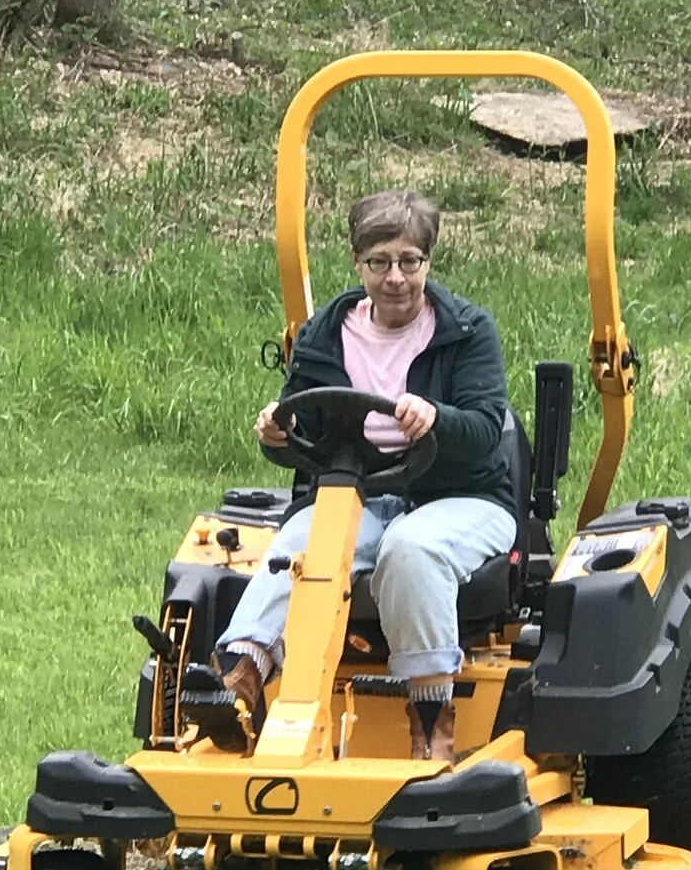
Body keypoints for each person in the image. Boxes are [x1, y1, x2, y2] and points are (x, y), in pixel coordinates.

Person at [209, 189, 516, 760]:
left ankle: (429, 721)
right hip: (360, 491)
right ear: (357, 262)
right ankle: (240, 681)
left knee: (411, 548)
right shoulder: (327, 330)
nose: (395, 277)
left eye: (409, 261)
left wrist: (437, 419)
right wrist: (276, 434)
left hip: (463, 496)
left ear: (428, 261)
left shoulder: (467, 330)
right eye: (380, 262)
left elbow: (481, 429)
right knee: (300, 544)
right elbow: (301, 430)